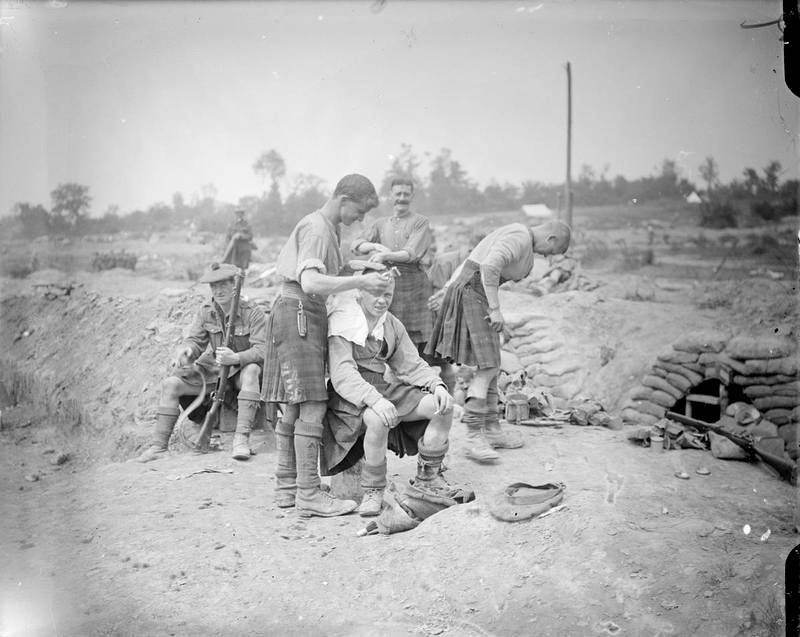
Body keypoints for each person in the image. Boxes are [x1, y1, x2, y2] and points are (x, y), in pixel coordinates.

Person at [261, 174, 393, 518]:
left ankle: (288, 486)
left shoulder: (327, 229)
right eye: (360, 212)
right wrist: (361, 280)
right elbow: (311, 280)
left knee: (293, 403)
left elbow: (326, 271)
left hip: (298, 312)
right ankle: (308, 495)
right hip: (301, 312)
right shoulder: (319, 228)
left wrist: (362, 267)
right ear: (344, 198)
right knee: (312, 404)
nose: (359, 220)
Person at [426, 220, 571, 463]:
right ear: (551, 239)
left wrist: (449, 288)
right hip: (474, 294)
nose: (548, 256)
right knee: (488, 367)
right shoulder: (519, 237)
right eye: (552, 252)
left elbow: (473, 258)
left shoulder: (519, 237)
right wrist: (494, 309)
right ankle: (474, 437)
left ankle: (492, 430)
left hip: (475, 292)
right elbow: (489, 266)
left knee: (492, 365)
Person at [321, 276, 456, 517]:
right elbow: (342, 373)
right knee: (377, 419)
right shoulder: (344, 320)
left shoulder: (390, 324)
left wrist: (437, 385)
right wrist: (374, 400)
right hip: (349, 393)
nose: (382, 301)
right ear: (361, 292)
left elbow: (411, 364)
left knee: (441, 407)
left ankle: (428, 476)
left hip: (382, 387)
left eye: (388, 295)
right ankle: (374, 490)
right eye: (377, 293)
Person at [135, 262, 266, 462]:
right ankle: (159, 447)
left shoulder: (252, 312)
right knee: (171, 384)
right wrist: (186, 351)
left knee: (252, 371)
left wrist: (236, 358)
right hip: (215, 370)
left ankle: (241, 440)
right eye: (214, 286)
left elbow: (262, 349)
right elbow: (195, 341)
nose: (218, 291)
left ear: (234, 286)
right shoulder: (206, 310)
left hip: (240, 370)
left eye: (223, 285)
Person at [351, 178, 434, 357]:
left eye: (406, 194)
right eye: (398, 194)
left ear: (412, 196)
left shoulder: (421, 222)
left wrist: (385, 255)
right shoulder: (381, 223)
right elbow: (356, 245)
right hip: (387, 284)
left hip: (414, 285)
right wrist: (374, 247)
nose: (402, 198)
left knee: (416, 339)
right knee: (386, 331)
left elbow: (411, 253)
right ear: (391, 196)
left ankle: (416, 375)